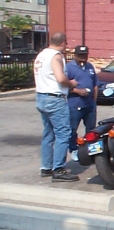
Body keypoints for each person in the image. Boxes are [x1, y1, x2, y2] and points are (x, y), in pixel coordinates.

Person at [34, 32, 80, 182]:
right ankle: (59, 169)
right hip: (55, 99)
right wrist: (71, 83)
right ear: (62, 43)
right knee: (63, 133)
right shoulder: (56, 56)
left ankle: (46, 166)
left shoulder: (41, 55)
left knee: (49, 133)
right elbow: (60, 78)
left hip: (41, 97)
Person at [66, 45, 98, 162]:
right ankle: (74, 149)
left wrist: (94, 100)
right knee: (72, 129)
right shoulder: (69, 68)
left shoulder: (90, 67)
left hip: (90, 104)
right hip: (75, 104)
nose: (83, 58)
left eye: (85, 55)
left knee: (91, 129)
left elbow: (95, 84)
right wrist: (78, 91)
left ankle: (91, 150)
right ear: (75, 55)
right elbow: (64, 86)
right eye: (80, 56)